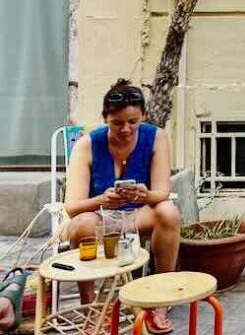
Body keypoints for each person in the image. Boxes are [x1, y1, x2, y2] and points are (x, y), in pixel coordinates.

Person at [64, 80, 181, 334]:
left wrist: (144, 194)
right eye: (117, 123)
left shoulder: (156, 137)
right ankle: (91, 306)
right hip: (100, 218)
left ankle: (160, 301)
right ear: (105, 118)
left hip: (139, 215)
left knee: (168, 211)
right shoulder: (87, 144)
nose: (126, 129)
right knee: (81, 224)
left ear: (143, 117)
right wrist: (101, 201)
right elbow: (72, 207)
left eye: (133, 121)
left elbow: (162, 192)